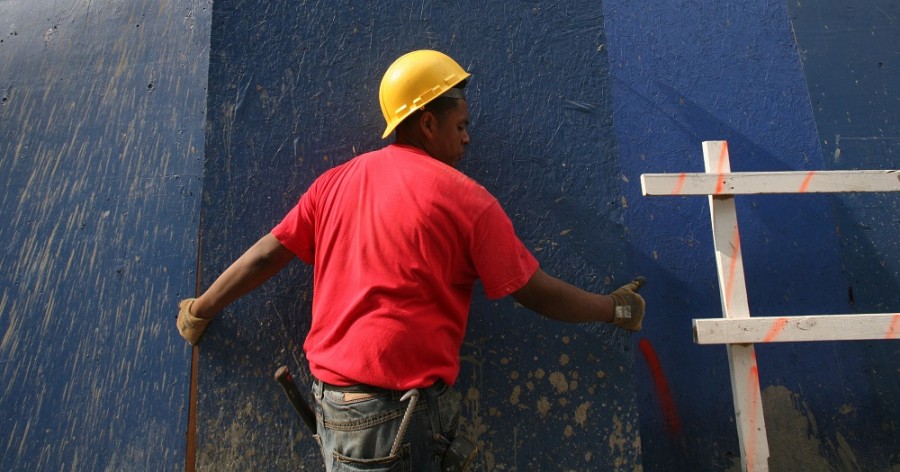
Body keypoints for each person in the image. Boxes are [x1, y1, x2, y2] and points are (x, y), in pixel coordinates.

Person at [176, 49, 646, 471]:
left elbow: (266, 255)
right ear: (426, 123)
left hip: (333, 405)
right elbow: (535, 291)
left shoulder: (336, 181)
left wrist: (202, 309)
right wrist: (615, 308)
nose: (467, 141)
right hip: (393, 419)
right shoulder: (469, 202)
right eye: (460, 126)